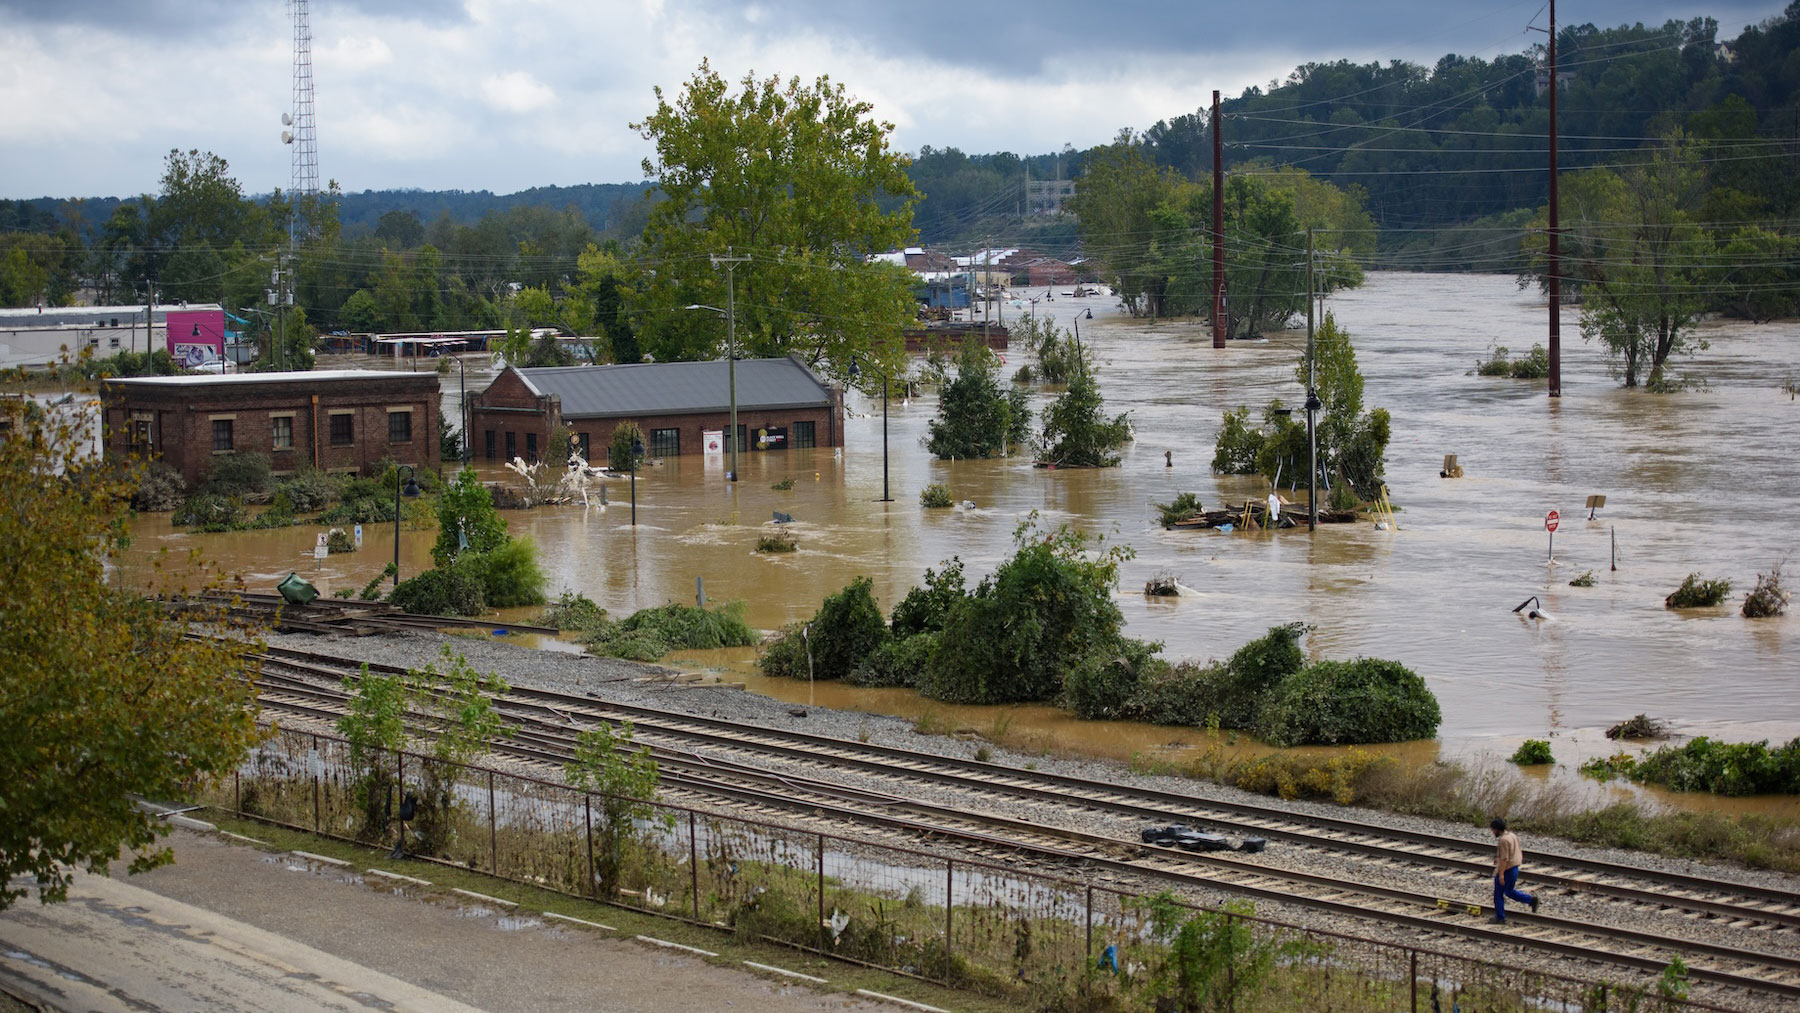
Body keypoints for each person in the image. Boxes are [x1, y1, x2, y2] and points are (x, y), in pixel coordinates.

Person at [1490, 818, 1539, 924]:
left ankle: (1500, 918)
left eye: (1493, 830)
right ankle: (1530, 900)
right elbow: (1511, 852)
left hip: (1507, 870)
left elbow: (1504, 859)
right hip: (1514, 868)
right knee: (1509, 891)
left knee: (1498, 894)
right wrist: (1497, 859)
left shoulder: (1503, 840)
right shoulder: (1512, 836)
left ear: (1498, 829)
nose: (1492, 832)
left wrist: (1501, 874)